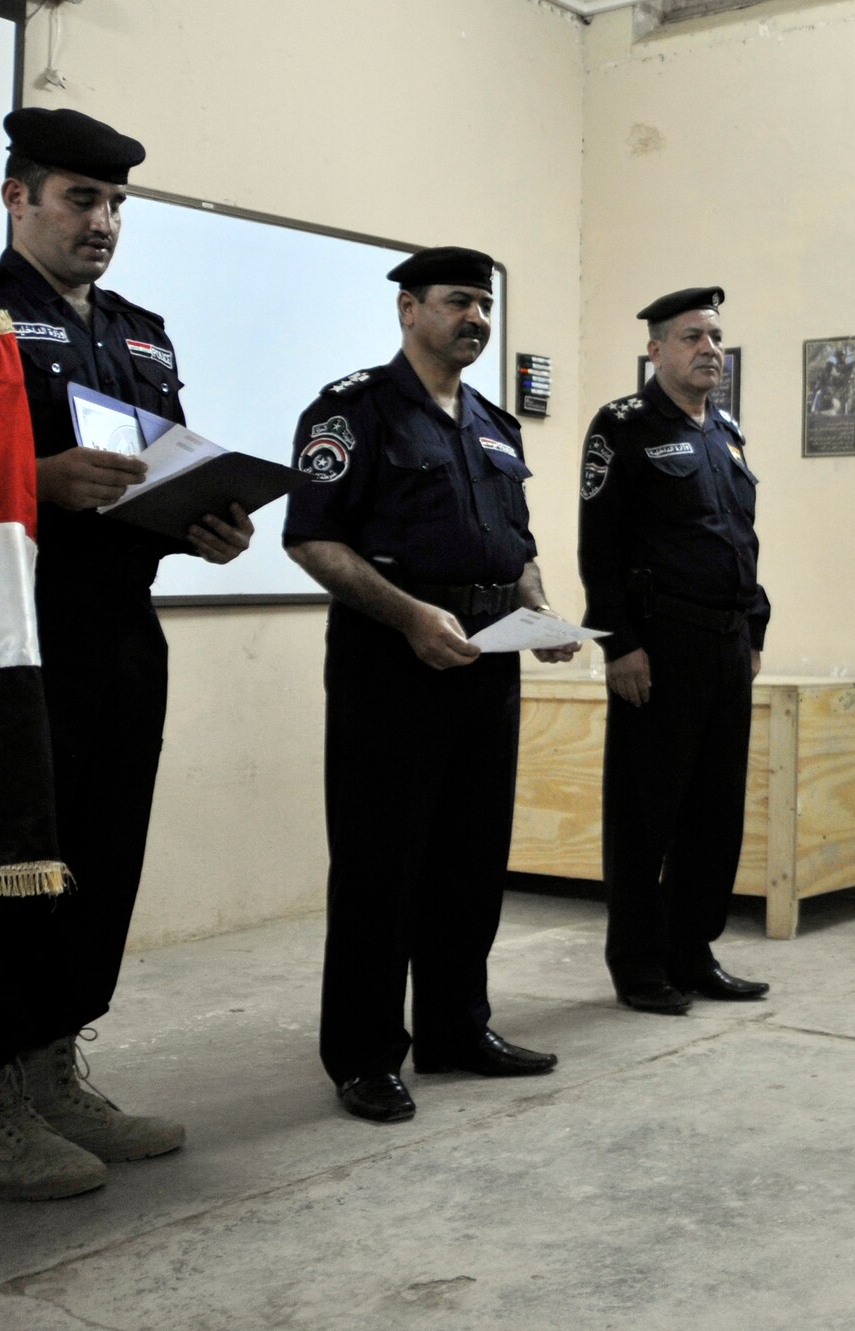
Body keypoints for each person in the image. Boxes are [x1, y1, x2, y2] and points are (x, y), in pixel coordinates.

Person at [0, 108, 253, 1201]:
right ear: (19, 198)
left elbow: (169, 458)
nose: (102, 222)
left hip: (119, 628)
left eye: (114, 206)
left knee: (102, 850)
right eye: (80, 199)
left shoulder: (144, 330)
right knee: (18, 857)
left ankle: (55, 1065)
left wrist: (212, 520)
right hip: (5, 630)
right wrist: (31, 481)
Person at [283, 248, 573, 1124]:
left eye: (484, 304)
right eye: (457, 302)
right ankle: (365, 1054)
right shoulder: (352, 410)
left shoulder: (493, 422)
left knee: (471, 857)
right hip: (391, 662)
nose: (475, 318)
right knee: (382, 863)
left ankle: (454, 1027)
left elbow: (513, 546)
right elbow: (311, 539)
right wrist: (410, 615)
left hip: (490, 659)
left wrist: (542, 610)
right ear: (409, 309)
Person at [576, 287, 771, 1014]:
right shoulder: (621, 426)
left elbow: (740, 539)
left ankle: (694, 951)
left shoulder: (724, 429)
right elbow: (600, 545)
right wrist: (618, 642)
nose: (709, 349)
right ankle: (638, 965)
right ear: (655, 349)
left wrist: (755, 626)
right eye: (692, 336)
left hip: (725, 643)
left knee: (715, 811)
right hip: (659, 644)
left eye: (715, 337)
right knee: (646, 811)